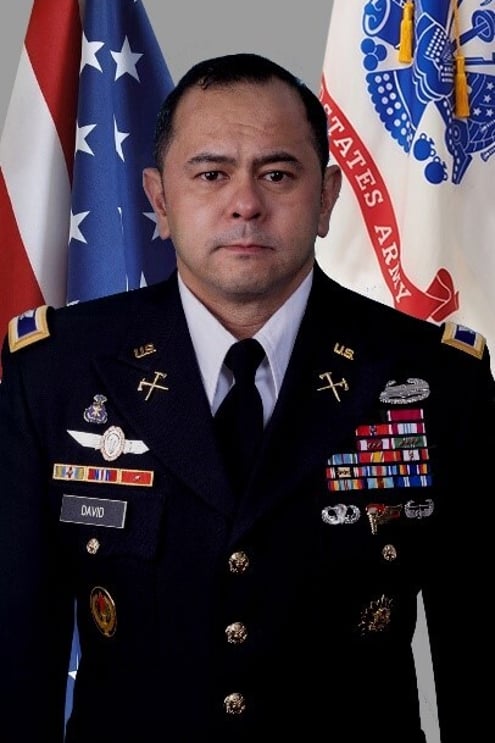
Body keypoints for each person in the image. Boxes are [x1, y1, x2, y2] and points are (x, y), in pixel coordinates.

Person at [0, 52, 492, 743]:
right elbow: (16, 664)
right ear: (159, 199)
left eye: (277, 174)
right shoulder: (58, 373)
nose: (245, 204)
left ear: (327, 198)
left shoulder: (435, 379)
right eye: (211, 174)